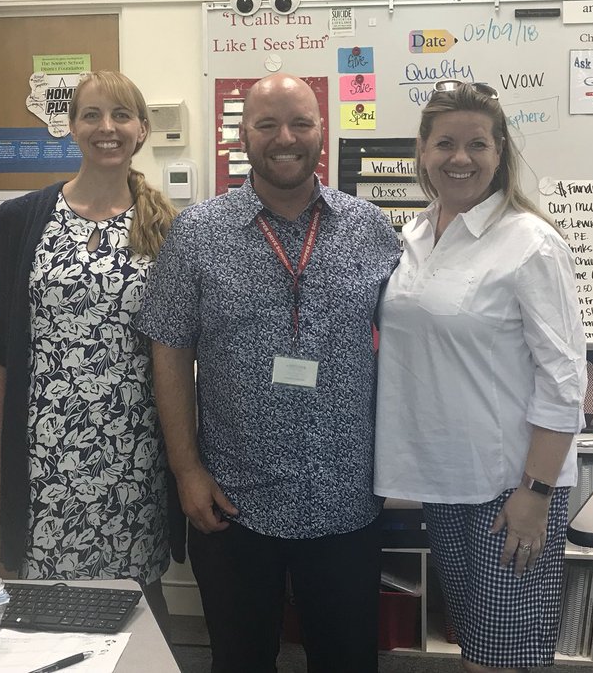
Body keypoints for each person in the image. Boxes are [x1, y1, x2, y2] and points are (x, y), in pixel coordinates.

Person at [137, 73, 401, 673]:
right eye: (267, 125)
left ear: (321, 133)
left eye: (300, 123)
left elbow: (414, 345)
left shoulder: (370, 229)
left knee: (346, 661)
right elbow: (170, 349)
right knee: (239, 660)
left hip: (346, 498)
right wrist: (186, 469)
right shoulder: (198, 233)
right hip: (233, 501)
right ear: (242, 135)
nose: (285, 138)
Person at [374, 80, 587, 673]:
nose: (460, 158)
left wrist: (536, 495)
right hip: (444, 479)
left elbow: (564, 379)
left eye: (477, 144)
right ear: (421, 150)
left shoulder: (531, 244)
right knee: (474, 643)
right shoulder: (414, 235)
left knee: (504, 658)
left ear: (500, 153)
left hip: (510, 484)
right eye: (445, 143)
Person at [0, 70, 177, 628]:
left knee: (135, 602)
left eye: (120, 116)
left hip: (134, 454)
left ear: (141, 131)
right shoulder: (21, 220)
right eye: (91, 115)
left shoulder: (168, 229)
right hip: (43, 454)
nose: (106, 128)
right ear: (71, 128)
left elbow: (178, 351)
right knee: (41, 608)